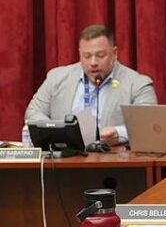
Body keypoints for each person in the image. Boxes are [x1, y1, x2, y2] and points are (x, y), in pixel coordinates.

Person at [25, 24, 157, 144]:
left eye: (100, 55)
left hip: (113, 162)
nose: (93, 62)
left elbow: (149, 125)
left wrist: (119, 133)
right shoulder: (56, 78)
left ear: (114, 54)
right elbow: (33, 112)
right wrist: (58, 132)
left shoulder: (138, 84)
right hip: (64, 160)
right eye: (87, 56)